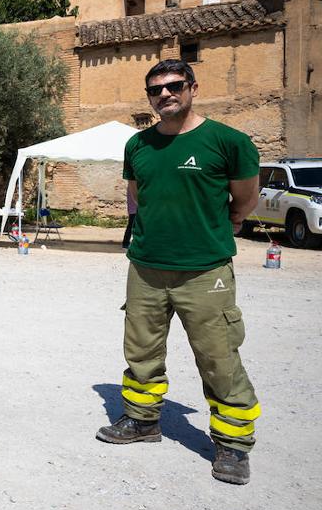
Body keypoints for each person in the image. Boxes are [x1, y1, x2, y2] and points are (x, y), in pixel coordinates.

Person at [97, 59, 261, 485]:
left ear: (192, 88)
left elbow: (244, 201)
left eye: (174, 86)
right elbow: (137, 197)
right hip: (146, 268)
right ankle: (142, 421)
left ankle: (233, 444)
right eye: (156, 90)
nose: (165, 94)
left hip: (205, 270)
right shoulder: (138, 146)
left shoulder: (228, 142)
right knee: (141, 353)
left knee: (218, 357)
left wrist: (226, 226)